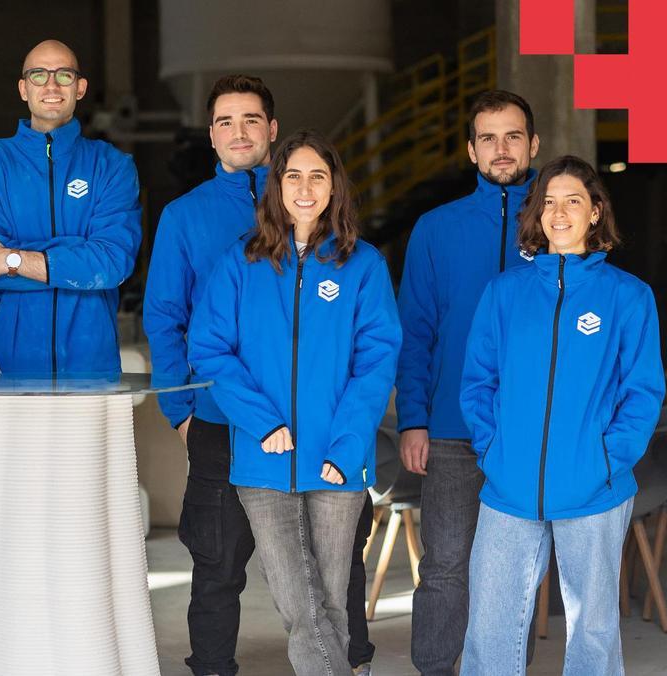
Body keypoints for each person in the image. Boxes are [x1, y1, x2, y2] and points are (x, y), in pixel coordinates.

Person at [188, 130, 401, 676]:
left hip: (336, 460)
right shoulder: (241, 262)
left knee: (333, 601)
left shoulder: (363, 265)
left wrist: (349, 443)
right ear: (277, 185)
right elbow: (208, 348)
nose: (305, 189)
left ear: (334, 187)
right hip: (264, 459)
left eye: (317, 177)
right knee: (299, 604)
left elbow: (376, 363)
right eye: (293, 176)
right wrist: (261, 422)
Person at [458, 155, 664, 675]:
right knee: (490, 624)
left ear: (595, 211)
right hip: (509, 487)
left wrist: (605, 461)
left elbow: (642, 394)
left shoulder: (628, 297)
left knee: (593, 629)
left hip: (595, 488)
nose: (559, 213)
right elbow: (479, 381)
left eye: (573, 201)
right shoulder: (504, 293)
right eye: (548, 202)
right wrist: (493, 451)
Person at [396, 90, 541, 675]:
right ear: (471, 150)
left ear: (533, 144)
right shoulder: (436, 229)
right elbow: (415, 332)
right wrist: (413, 419)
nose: (501, 149)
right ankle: (435, 669)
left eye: (513, 136)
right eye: (488, 138)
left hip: (531, 432)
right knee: (446, 566)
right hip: (452, 429)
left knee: (519, 570)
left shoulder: (559, 221)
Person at [144, 74, 275, 676]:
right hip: (217, 418)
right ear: (212, 134)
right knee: (217, 565)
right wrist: (180, 411)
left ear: (272, 128)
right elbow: (164, 317)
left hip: (303, 416)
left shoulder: (308, 201)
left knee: (327, 562)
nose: (239, 132)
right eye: (226, 121)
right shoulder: (185, 215)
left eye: (251, 119)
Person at [0, 39, 141, 374]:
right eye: (39, 75)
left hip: (91, 365)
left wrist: (10, 258)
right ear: (23, 89)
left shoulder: (112, 166)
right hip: (6, 366)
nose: (52, 86)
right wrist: (77, 254)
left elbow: (112, 262)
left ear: (80, 88)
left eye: (64, 75)